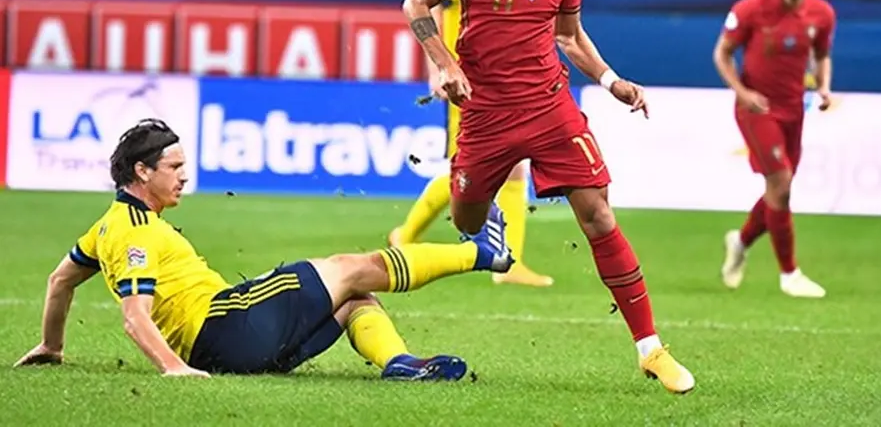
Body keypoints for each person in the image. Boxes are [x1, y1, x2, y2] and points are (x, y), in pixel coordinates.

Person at [400, 0, 695, 394]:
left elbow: (568, 36)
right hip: (485, 114)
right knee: (466, 218)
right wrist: (442, 64)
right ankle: (484, 231)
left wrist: (611, 82)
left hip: (550, 108)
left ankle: (651, 349)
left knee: (600, 217)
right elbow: (414, 3)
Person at [13, 119, 513, 377]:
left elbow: (60, 281)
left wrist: (53, 345)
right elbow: (133, 315)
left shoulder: (106, 226)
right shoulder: (137, 231)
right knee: (350, 268)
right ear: (142, 172)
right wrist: (174, 369)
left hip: (231, 344)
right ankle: (484, 253)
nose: (184, 176)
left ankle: (398, 363)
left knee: (355, 298)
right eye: (173, 167)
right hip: (223, 327)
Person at [390, 0, 553, 288]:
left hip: (502, 82)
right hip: (467, 79)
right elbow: (430, 9)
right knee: (465, 165)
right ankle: (405, 236)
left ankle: (508, 262)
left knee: (514, 165)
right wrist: (438, 67)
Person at [713, 0, 837, 299]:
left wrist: (825, 87)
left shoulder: (822, 14)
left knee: (776, 191)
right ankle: (790, 274)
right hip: (757, 109)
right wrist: (742, 92)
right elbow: (722, 54)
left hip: (794, 109)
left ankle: (741, 240)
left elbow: (822, 56)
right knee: (781, 185)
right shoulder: (750, 9)